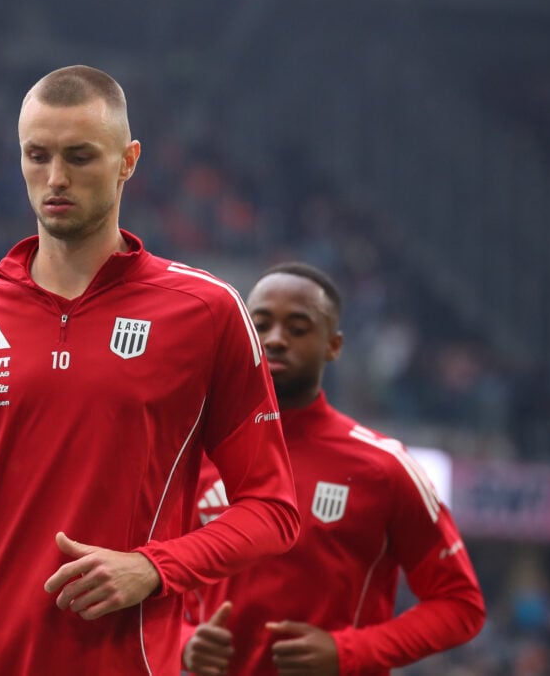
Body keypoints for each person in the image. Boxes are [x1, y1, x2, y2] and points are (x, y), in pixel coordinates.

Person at [0, 65, 300, 675]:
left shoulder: (206, 312)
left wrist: (154, 568)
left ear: (128, 161)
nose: (55, 177)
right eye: (38, 156)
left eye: (80, 157)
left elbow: (273, 510)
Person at [182, 262, 486, 676]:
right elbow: (141, 576)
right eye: (261, 324)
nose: (275, 339)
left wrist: (348, 652)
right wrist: (183, 642)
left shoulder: (384, 468)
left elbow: (461, 604)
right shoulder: (190, 456)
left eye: (298, 328)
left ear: (334, 345)